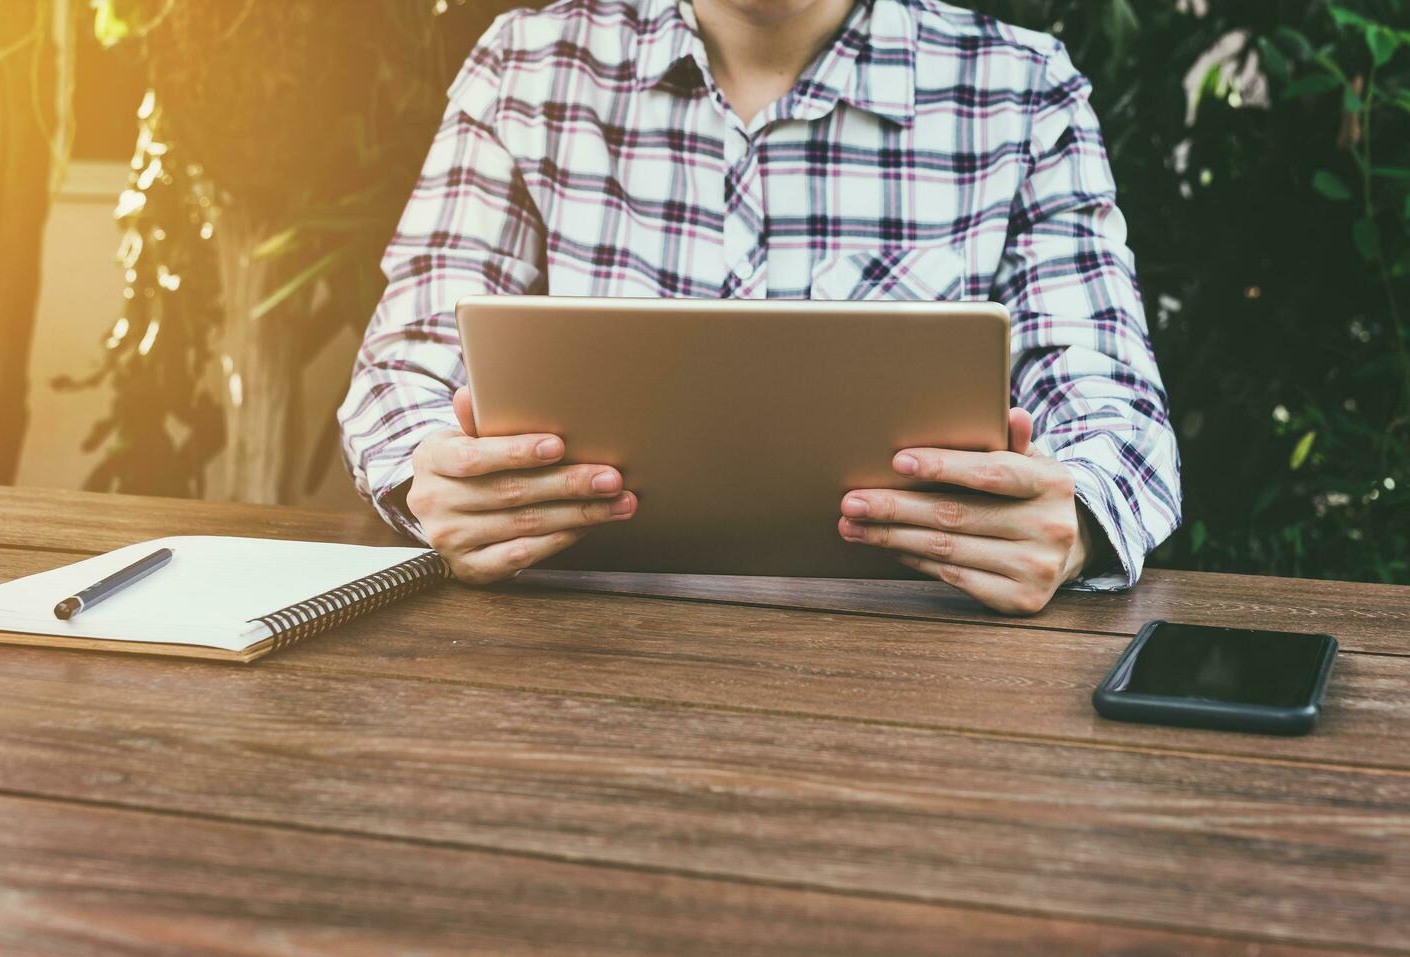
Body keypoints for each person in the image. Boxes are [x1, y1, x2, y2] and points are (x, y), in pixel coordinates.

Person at [338, 0, 1183, 614]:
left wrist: (1071, 520)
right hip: (570, 638)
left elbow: (1114, 408)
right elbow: (400, 365)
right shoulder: (524, 66)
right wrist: (430, 477)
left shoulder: (1023, 90)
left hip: (913, 657)